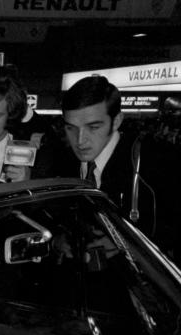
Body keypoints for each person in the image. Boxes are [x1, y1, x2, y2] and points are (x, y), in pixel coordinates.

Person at [59, 75, 181, 258]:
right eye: (71, 128)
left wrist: (130, 243)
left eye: (93, 127)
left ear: (116, 121)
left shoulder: (157, 164)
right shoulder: (60, 162)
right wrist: (58, 241)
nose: (80, 140)